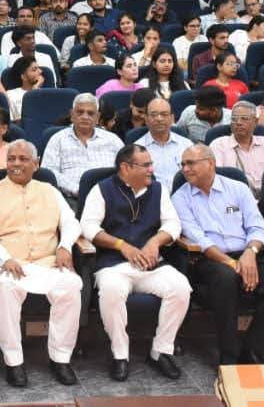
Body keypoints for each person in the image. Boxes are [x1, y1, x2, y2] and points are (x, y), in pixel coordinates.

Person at [172, 144, 264, 366]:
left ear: (210, 163)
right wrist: (231, 263)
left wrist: (250, 253)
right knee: (226, 280)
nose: (185, 169)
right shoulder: (180, 197)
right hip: (209, 259)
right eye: (183, 164)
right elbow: (199, 238)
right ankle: (229, 354)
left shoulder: (238, 189)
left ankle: (254, 350)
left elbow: (257, 227)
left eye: (191, 163)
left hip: (247, 253)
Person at [0, 140, 81, 387]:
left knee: (70, 286)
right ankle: (14, 361)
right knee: (7, 289)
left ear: (36, 163)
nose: (16, 164)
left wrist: (65, 246)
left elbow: (70, 222)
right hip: (10, 264)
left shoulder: (50, 191)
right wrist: (5, 258)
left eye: (23, 159)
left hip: (48, 262)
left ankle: (60, 358)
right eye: (11, 159)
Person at [80, 143, 188, 381]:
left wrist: (155, 242)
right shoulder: (102, 189)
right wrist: (122, 245)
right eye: (146, 165)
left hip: (151, 264)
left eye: (151, 164)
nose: (152, 169)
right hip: (114, 264)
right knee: (112, 290)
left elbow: (173, 224)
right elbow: (88, 227)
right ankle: (120, 354)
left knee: (181, 287)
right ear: (125, 167)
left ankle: (161, 351)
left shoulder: (158, 189)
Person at [41, 93, 124, 205]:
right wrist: (78, 190)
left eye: (90, 113)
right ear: (72, 115)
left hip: (111, 198)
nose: (85, 117)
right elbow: (49, 172)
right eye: (80, 112)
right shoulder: (57, 140)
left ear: (98, 117)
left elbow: (126, 168)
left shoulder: (113, 140)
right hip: (71, 200)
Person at [209, 100, 264, 193]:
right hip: (234, 197)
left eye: (244, 118)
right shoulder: (219, 145)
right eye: (234, 119)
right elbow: (215, 177)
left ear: (255, 121)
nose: (238, 122)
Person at [136, 97, 193, 187]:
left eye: (164, 114)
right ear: (146, 119)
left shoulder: (187, 145)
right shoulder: (136, 149)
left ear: (172, 118)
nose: (159, 119)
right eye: (154, 115)